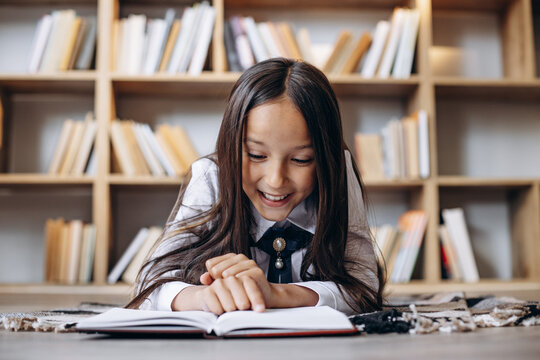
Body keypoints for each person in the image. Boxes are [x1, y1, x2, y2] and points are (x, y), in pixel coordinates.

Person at [127, 58, 385, 315]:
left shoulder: (338, 172)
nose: (275, 180)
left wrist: (276, 293)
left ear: (325, 159)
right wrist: (204, 297)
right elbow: (149, 285)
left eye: (301, 159)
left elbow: (364, 287)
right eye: (256, 155)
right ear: (230, 147)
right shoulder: (210, 176)